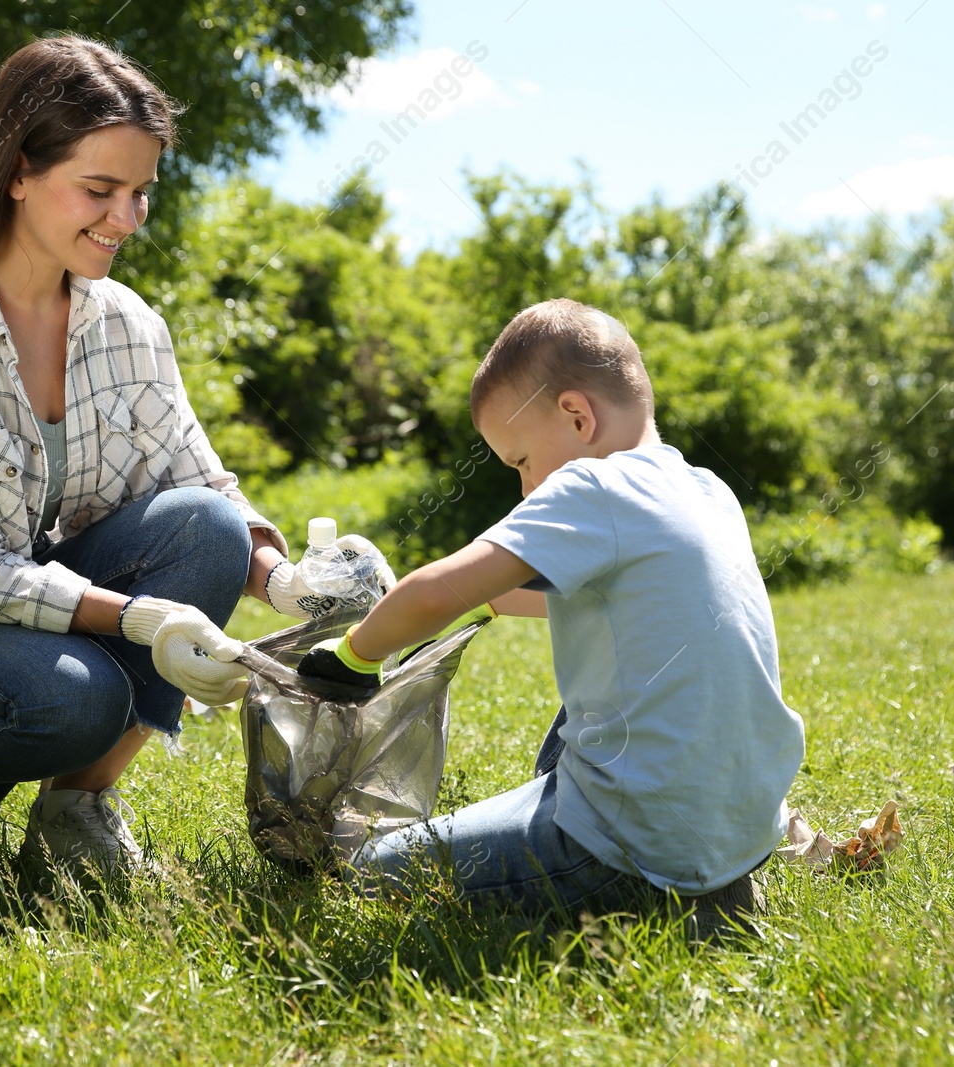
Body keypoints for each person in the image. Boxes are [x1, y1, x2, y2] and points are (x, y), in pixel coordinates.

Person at [0, 34, 387, 885]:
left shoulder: (129, 324)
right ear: (16, 172)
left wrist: (283, 580)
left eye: (141, 192)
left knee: (212, 529)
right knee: (78, 695)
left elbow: (198, 481)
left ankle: (75, 808)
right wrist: (142, 621)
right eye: (100, 190)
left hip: (44, 599)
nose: (127, 219)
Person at [296, 298, 806, 939]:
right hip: (742, 819)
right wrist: (484, 600)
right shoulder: (706, 489)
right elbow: (586, 599)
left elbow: (435, 593)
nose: (525, 489)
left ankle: (640, 884)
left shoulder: (593, 487)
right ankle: (712, 874)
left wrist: (352, 656)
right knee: (607, 701)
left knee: (374, 869)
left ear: (576, 416)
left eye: (520, 462)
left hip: (632, 840)